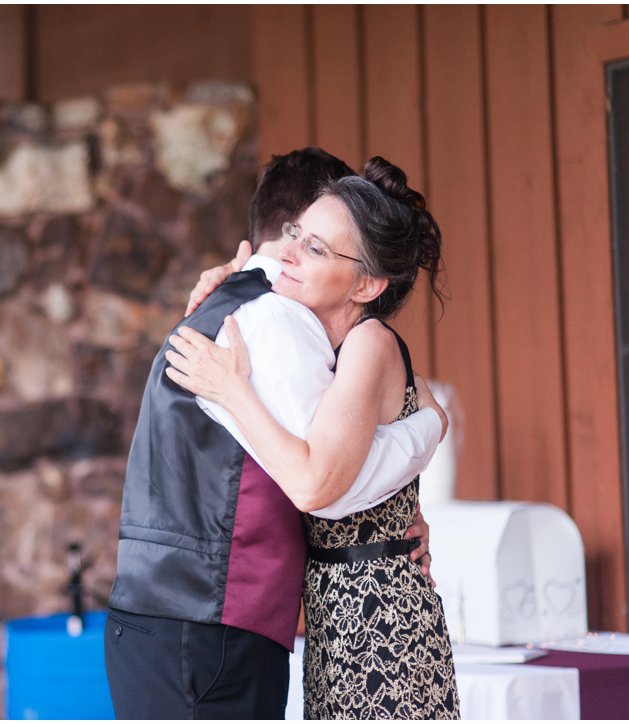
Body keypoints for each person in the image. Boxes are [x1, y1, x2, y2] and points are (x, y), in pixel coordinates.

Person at [104, 148, 447, 719]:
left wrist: (428, 435)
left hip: (334, 619)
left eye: (314, 245)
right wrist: (429, 430)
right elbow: (325, 486)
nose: (289, 254)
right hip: (213, 623)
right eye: (297, 234)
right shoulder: (276, 319)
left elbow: (325, 482)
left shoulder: (274, 318)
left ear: (367, 282)